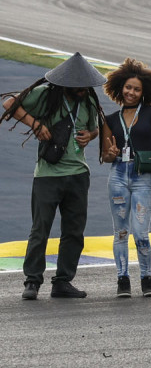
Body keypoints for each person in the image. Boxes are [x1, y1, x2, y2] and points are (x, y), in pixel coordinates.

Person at [2, 53, 109, 300]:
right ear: (66, 82)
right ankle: (32, 281)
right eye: (78, 85)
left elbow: (94, 128)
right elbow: (9, 104)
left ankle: (62, 281)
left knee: (74, 231)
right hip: (48, 175)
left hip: (79, 174)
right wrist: (36, 125)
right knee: (40, 229)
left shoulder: (89, 102)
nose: (83, 89)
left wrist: (90, 136)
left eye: (86, 85)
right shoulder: (46, 94)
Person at [101, 58, 151, 298]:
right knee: (120, 232)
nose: (131, 92)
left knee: (141, 232)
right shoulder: (110, 119)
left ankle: (146, 277)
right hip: (118, 176)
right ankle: (122, 279)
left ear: (145, 92)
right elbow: (105, 155)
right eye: (128, 87)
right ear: (120, 88)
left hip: (143, 178)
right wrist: (109, 154)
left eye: (137, 89)